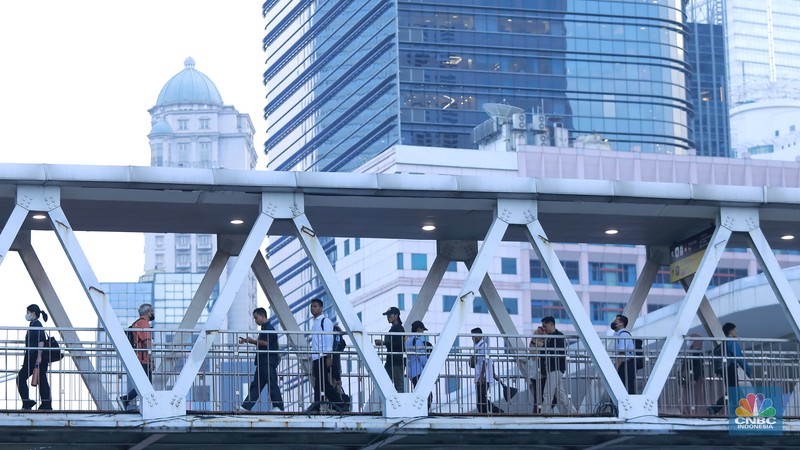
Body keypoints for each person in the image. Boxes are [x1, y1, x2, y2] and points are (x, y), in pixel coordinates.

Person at [236, 308, 284, 412]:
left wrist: (251, 341)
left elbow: (265, 343)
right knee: (257, 385)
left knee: (271, 383)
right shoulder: (265, 328)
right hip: (263, 362)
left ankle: (278, 406)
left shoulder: (269, 328)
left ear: (262, 316)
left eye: (256, 318)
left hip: (268, 361)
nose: (255, 320)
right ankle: (246, 406)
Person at [709, 322, 753, 415]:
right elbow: (739, 357)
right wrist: (748, 370)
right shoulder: (731, 342)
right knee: (733, 390)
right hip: (730, 368)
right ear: (730, 331)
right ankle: (716, 408)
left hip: (725, 369)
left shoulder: (724, 342)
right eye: (734, 330)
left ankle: (735, 410)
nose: (736, 332)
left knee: (732, 390)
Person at [307, 298, 342, 412]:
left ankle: (338, 403)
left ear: (321, 308)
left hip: (322, 356)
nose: (313, 308)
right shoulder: (315, 323)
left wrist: (328, 356)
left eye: (315, 306)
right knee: (320, 383)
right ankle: (321, 405)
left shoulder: (325, 321)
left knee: (322, 383)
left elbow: (328, 338)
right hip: (316, 357)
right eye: (311, 306)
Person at [119, 303, 155, 410]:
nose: (153, 313)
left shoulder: (135, 324)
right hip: (143, 359)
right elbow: (146, 342)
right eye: (152, 311)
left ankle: (127, 399)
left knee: (144, 384)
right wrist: (151, 359)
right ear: (148, 312)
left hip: (136, 358)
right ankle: (126, 399)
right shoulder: (144, 323)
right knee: (147, 384)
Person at [539, 317, 577, 414]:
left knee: (547, 392)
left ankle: (544, 413)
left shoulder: (559, 336)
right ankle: (573, 411)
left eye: (545, 326)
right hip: (553, 368)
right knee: (560, 394)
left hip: (555, 368)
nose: (544, 329)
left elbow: (558, 352)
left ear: (551, 324)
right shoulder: (549, 337)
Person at [18, 304, 51, 410]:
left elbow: (41, 340)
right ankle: (44, 403)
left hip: (35, 357)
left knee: (21, 378)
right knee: (41, 379)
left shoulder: (36, 324)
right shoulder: (34, 324)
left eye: (28, 312)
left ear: (33, 313)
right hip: (33, 357)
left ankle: (31, 402)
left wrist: (39, 357)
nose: (26, 315)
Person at [373, 306, 405, 393]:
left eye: (389, 315)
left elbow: (399, 345)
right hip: (390, 361)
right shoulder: (393, 329)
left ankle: (400, 405)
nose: (388, 317)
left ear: (396, 315)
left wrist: (384, 343)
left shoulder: (399, 328)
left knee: (398, 386)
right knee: (385, 383)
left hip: (397, 361)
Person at [472, 327, 502, 414]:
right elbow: (490, 362)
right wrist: (494, 374)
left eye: (473, 336)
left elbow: (485, 362)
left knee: (481, 399)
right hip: (482, 376)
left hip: (483, 377)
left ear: (478, 336)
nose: (472, 339)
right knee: (481, 398)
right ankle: (490, 412)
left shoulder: (483, 346)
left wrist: (481, 377)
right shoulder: (479, 347)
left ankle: (496, 411)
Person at [405, 320, 432, 409]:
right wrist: (428, 368)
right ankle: (424, 412)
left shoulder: (408, 340)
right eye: (422, 330)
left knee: (419, 394)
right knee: (428, 395)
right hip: (418, 372)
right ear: (418, 329)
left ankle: (420, 411)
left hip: (411, 372)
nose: (423, 332)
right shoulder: (417, 341)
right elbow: (422, 358)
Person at [611, 314, 637, 395]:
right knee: (623, 387)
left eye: (616, 321)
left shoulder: (623, 335)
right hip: (623, 363)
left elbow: (622, 353)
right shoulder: (618, 334)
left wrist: (615, 367)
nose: (614, 322)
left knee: (627, 387)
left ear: (621, 323)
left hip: (626, 364)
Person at [527, 326, 545, 413]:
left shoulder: (541, 344)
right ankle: (537, 413)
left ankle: (539, 411)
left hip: (540, 374)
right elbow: (534, 356)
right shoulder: (533, 344)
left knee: (540, 396)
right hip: (535, 375)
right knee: (538, 397)